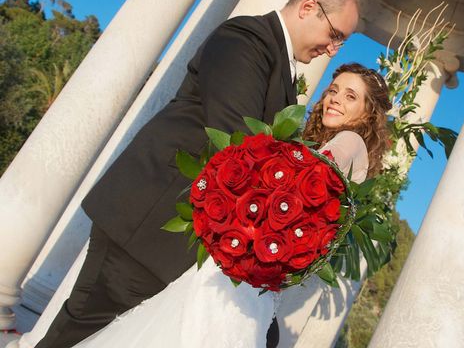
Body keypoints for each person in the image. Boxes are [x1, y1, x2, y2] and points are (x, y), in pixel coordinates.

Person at [35, 0, 360, 348]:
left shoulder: (280, 67)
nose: (333, 49)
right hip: (147, 223)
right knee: (80, 331)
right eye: (335, 34)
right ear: (309, 8)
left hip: (174, 243)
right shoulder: (247, 39)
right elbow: (239, 140)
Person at [67, 63, 391, 348]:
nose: (335, 98)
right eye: (333, 90)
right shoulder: (327, 141)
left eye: (350, 96)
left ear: (367, 113)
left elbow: (307, 183)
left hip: (253, 263)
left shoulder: (349, 142)